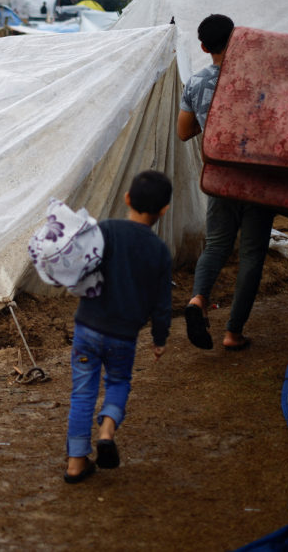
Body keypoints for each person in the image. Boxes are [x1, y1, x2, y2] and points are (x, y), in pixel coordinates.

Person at [63, 170, 173, 483]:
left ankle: (75, 463)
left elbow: (82, 266)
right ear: (163, 209)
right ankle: (107, 431)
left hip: (87, 327)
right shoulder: (159, 251)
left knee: (82, 394)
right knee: (119, 382)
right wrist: (159, 337)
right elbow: (162, 301)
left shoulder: (106, 230)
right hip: (123, 337)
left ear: (127, 199)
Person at [177, 14, 276, 352]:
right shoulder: (259, 81)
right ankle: (233, 332)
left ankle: (197, 300)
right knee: (251, 254)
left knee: (216, 246)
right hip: (258, 178)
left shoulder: (195, 83)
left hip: (219, 177)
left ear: (204, 47)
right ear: (237, 40)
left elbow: (184, 131)